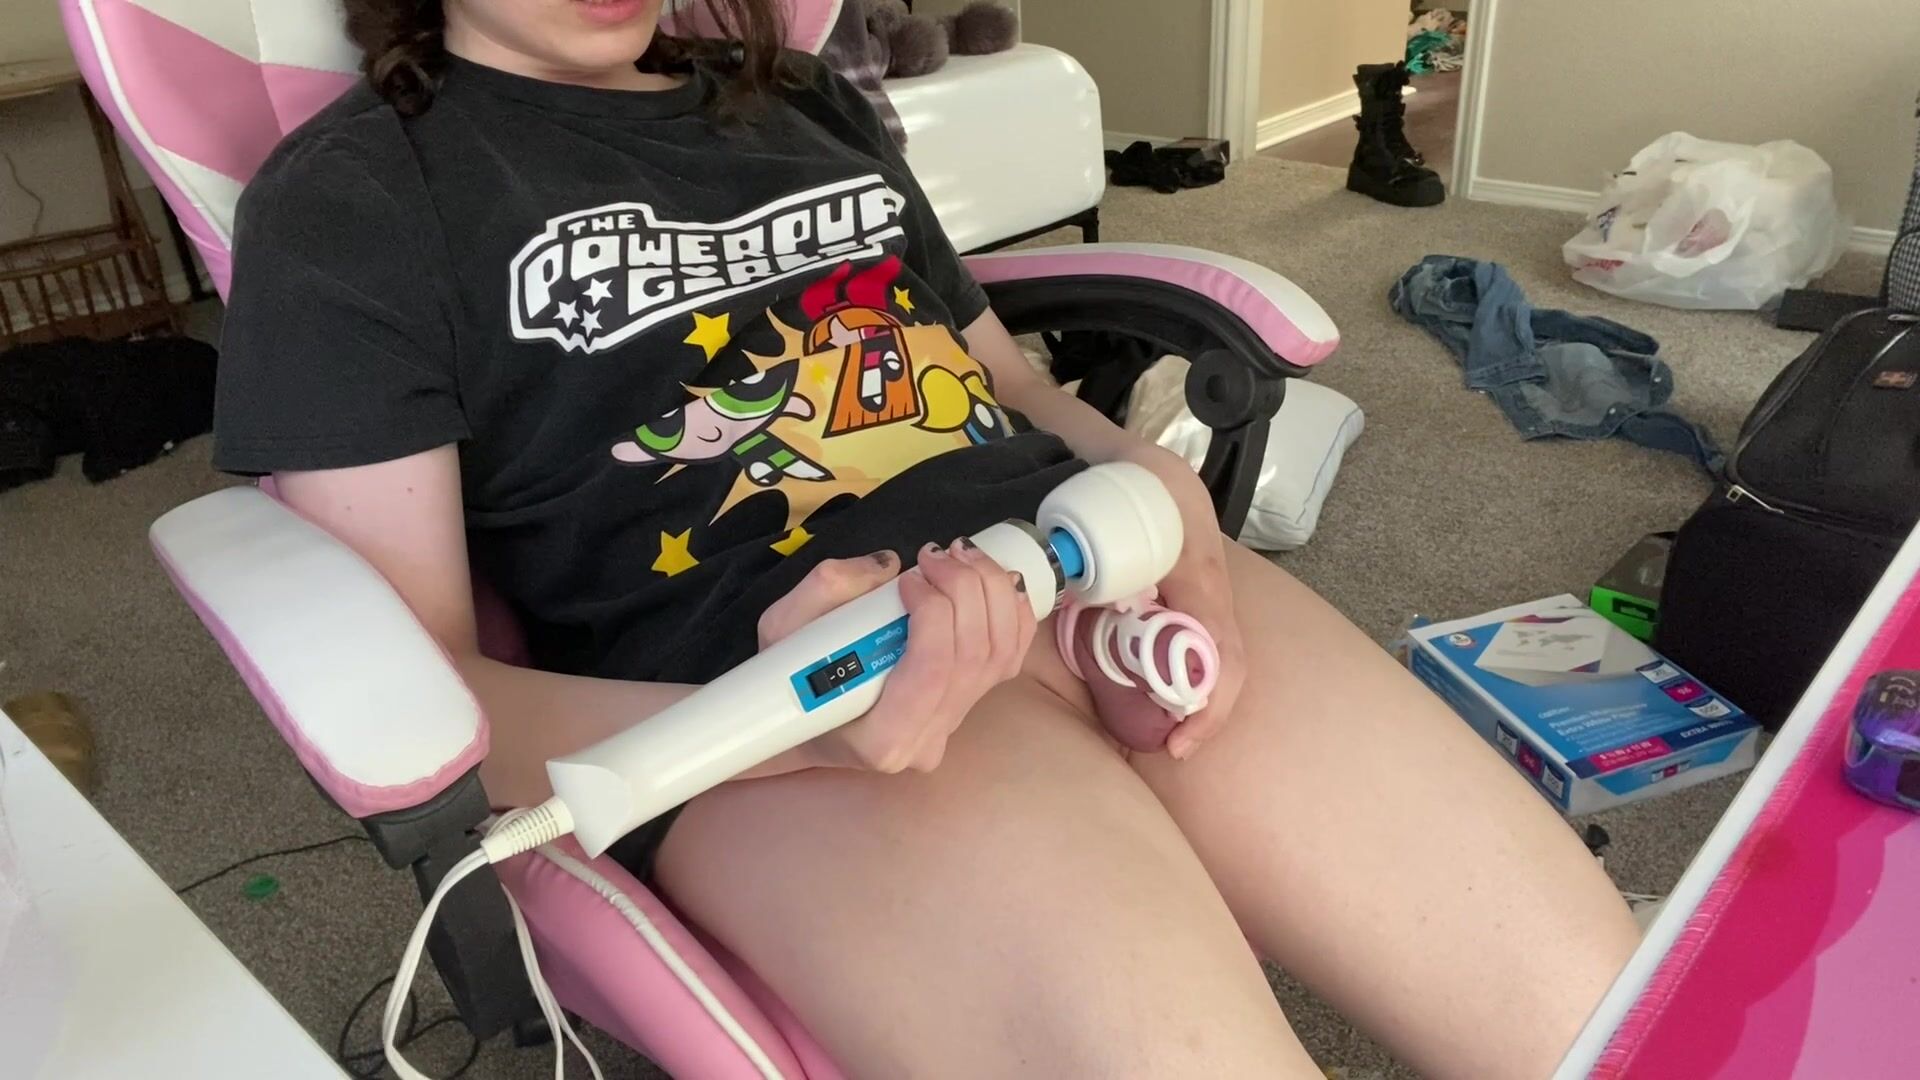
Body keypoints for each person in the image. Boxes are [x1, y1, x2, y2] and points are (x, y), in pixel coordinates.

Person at [212, 1, 1641, 1075]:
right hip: (779, 702)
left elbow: (1011, 386)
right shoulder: (353, 203)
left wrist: (1156, 481)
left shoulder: (800, 103)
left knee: (1611, 1010)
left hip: (1078, 558)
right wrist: (801, 730)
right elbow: (424, 710)